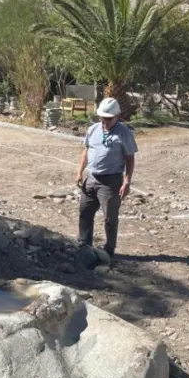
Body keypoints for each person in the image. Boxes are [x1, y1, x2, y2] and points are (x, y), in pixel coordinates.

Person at [75, 97, 137, 263]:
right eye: (103, 118)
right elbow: (86, 151)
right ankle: (83, 244)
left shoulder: (124, 133)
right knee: (85, 212)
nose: (105, 121)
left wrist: (127, 182)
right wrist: (80, 172)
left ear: (117, 116)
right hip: (91, 178)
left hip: (111, 182)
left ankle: (109, 250)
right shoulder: (93, 129)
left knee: (110, 217)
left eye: (109, 118)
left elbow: (130, 158)